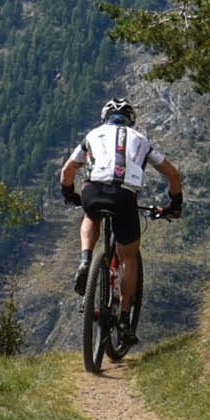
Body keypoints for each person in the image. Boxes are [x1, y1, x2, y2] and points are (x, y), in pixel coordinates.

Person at [58, 96, 183, 350]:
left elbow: (68, 169)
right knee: (129, 257)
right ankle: (125, 320)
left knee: (91, 215)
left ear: (105, 117)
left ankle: (85, 259)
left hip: (93, 190)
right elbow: (172, 173)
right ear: (131, 119)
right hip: (124, 195)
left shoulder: (93, 135)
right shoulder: (141, 140)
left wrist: (69, 193)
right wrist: (175, 204)